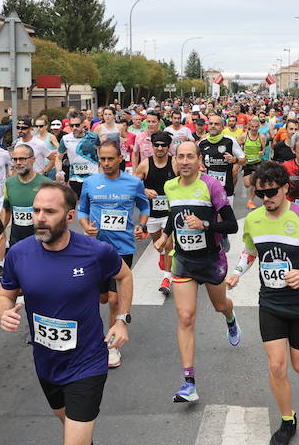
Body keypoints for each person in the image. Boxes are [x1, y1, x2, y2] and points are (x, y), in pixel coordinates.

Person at [0, 183, 132, 445]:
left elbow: (124, 275)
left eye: (50, 212)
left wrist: (122, 319)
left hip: (88, 361)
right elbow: (5, 294)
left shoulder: (95, 251)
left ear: (70, 216)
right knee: (74, 435)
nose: (39, 218)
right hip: (46, 363)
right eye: (37, 210)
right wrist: (4, 312)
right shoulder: (20, 253)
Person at [227, 162, 299, 445]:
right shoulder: (253, 220)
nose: (267, 199)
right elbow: (250, 252)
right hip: (271, 301)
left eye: (272, 192)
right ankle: (288, 420)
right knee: (277, 367)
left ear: (285, 189)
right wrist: (238, 271)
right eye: (261, 193)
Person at [152, 140, 242, 403]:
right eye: (180, 157)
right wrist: (165, 236)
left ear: (199, 160)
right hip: (183, 260)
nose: (185, 161)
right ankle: (188, 382)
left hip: (212, 260)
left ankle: (230, 317)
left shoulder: (211, 185)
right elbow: (173, 214)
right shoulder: (170, 186)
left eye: (190, 156)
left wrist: (204, 224)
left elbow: (232, 225)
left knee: (220, 305)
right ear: (175, 160)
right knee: (186, 318)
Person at [77, 140, 150, 368]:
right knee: (100, 298)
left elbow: (144, 206)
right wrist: (85, 226)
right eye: (102, 159)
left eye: (110, 159)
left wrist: (141, 225)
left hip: (123, 248)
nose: (106, 163)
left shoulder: (133, 183)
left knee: (114, 299)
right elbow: (82, 209)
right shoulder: (90, 183)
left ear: (121, 159)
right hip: (96, 249)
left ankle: (111, 346)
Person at [136, 130, 177, 298]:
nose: (160, 148)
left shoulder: (174, 163)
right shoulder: (145, 164)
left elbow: (184, 182)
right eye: (156, 145)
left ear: (168, 147)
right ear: (152, 146)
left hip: (169, 212)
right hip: (152, 213)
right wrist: (144, 190)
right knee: (157, 242)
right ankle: (161, 256)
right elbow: (134, 184)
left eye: (163, 145)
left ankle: (167, 278)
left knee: (168, 244)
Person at [0, 142, 51, 257]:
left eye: (22, 159)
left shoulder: (46, 184)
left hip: (41, 241)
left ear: (33, 159)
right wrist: (0, 230)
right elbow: (6, 210)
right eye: (15, 159)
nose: (18, 163)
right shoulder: (9, 183)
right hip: (17, 242)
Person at [197, 114, 245, 198]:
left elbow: (244, 161)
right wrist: (199, 165)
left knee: (227, 211)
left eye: (216, 124)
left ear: (223, 127)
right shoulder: (202, 143)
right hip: (207, 188)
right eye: (211, 124)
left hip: (226, 188)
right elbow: (198, 158)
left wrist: (235, 160)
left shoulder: (230, 141)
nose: (213, 126)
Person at [241, 116, 267, 211]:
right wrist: (241, 153)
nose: (254, 129)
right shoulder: (244, 136)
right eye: (252, 127)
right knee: (247, 184)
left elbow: (263, 149)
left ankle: (250, 201)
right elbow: (238, 146)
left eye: (256, 127)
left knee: (256, 182)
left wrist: (262, 152)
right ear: (249, 126)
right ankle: (253, 182)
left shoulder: (262, 137)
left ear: (259, 127)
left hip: (257, 162)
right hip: (247, 163)